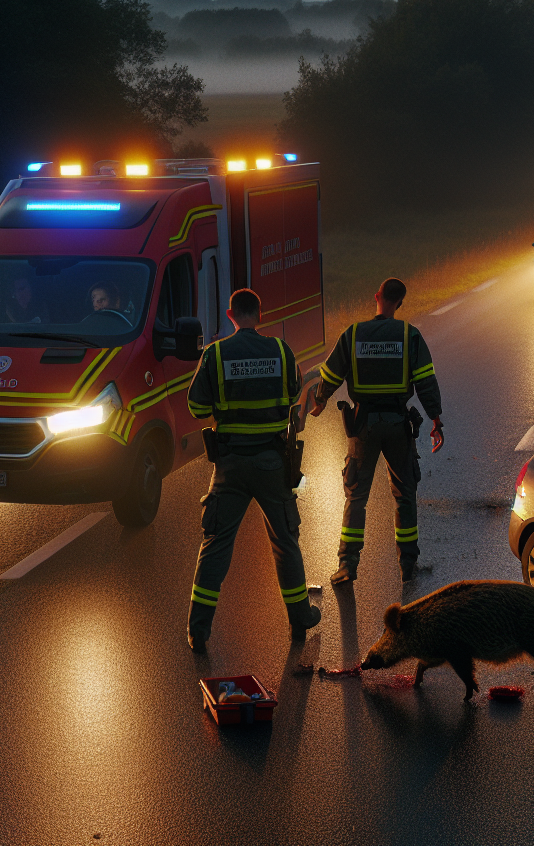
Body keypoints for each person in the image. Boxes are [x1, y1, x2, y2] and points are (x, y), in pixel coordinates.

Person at [184, 288, 320, 652]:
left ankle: (198, 629)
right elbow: (295, 393)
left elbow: (196, 407)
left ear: (230, 314)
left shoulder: (215, 354)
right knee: (285, 540)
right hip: (272, 463)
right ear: (260, 314)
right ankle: (300, 619)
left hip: (229, 466)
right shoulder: (280, 350)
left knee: (215, 545)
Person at [310, 277, 444, 586]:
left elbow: (329, 374)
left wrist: (319, 401)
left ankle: (347, 565)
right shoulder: (410, 336)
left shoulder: (353, 334)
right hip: (399, 426)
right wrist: (436, 419)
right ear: (399, 303)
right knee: (404, 495)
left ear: (377, 297)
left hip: (364, 426)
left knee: (356, 497)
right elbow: (425, 381)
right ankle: (408, 564)